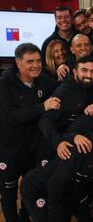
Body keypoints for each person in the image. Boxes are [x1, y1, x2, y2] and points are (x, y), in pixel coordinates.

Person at [21, 116, 93, 222]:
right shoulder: (84, 149)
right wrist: (55, 216)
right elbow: (55, 183)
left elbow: (92, 184)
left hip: (65, 190)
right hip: (37, 187)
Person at [0, 43, 59, 222]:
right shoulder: (4, 84)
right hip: (9, 151)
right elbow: (11, 117)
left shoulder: (43, 80)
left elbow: (63, 89)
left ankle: (24, 217)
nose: (36, 65)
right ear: (18, 63)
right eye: (30, 61)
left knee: (29, 190)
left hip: (33, 150)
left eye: (39, 60)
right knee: (9, 192)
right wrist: (42, 106)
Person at [38, 55, 93, 162]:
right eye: (84, 70)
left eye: (92, 72)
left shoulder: (87, 87)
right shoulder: (65, 92)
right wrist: (58, 143)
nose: (89, 75)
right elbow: (44, 121)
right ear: (75, 72)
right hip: (51, 148)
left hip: (70, 142)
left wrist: (90, 105)